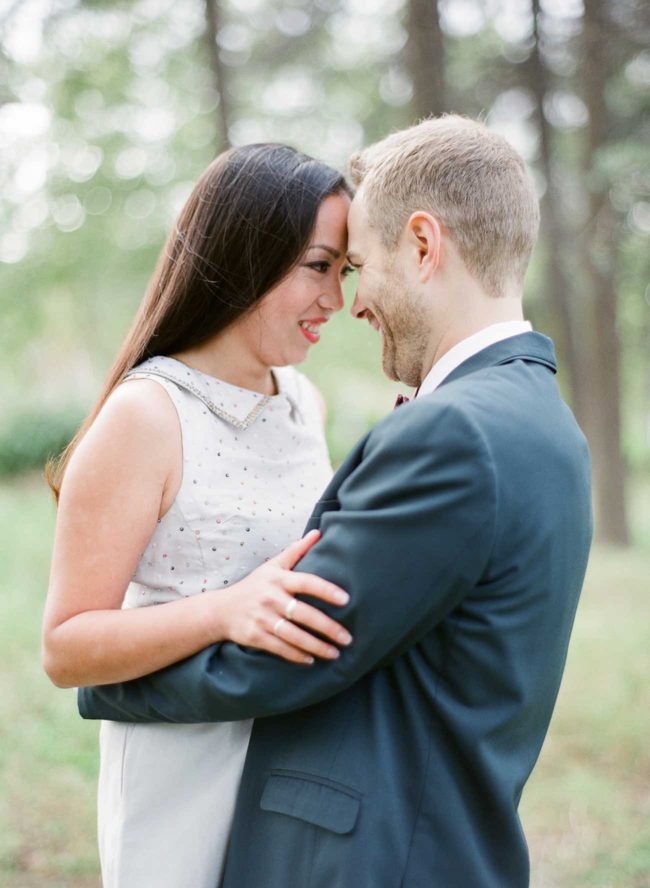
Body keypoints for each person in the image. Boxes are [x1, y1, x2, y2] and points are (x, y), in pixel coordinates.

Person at [79, 116, 593, 887]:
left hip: (389, 847)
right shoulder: (542, 414)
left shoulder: (454, 431)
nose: (349, 301)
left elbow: (311, 644)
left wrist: (109, 681)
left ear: (423, 247)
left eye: (356, 265)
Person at [41, 143, 357, 887]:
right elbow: (65, 647)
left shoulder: (303, 401)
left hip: (294, 769)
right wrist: (224, 613)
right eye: (318, 266)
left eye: (346, 272)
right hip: (182, 783)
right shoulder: (147, 416)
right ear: (248, 252)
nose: (335, 300)